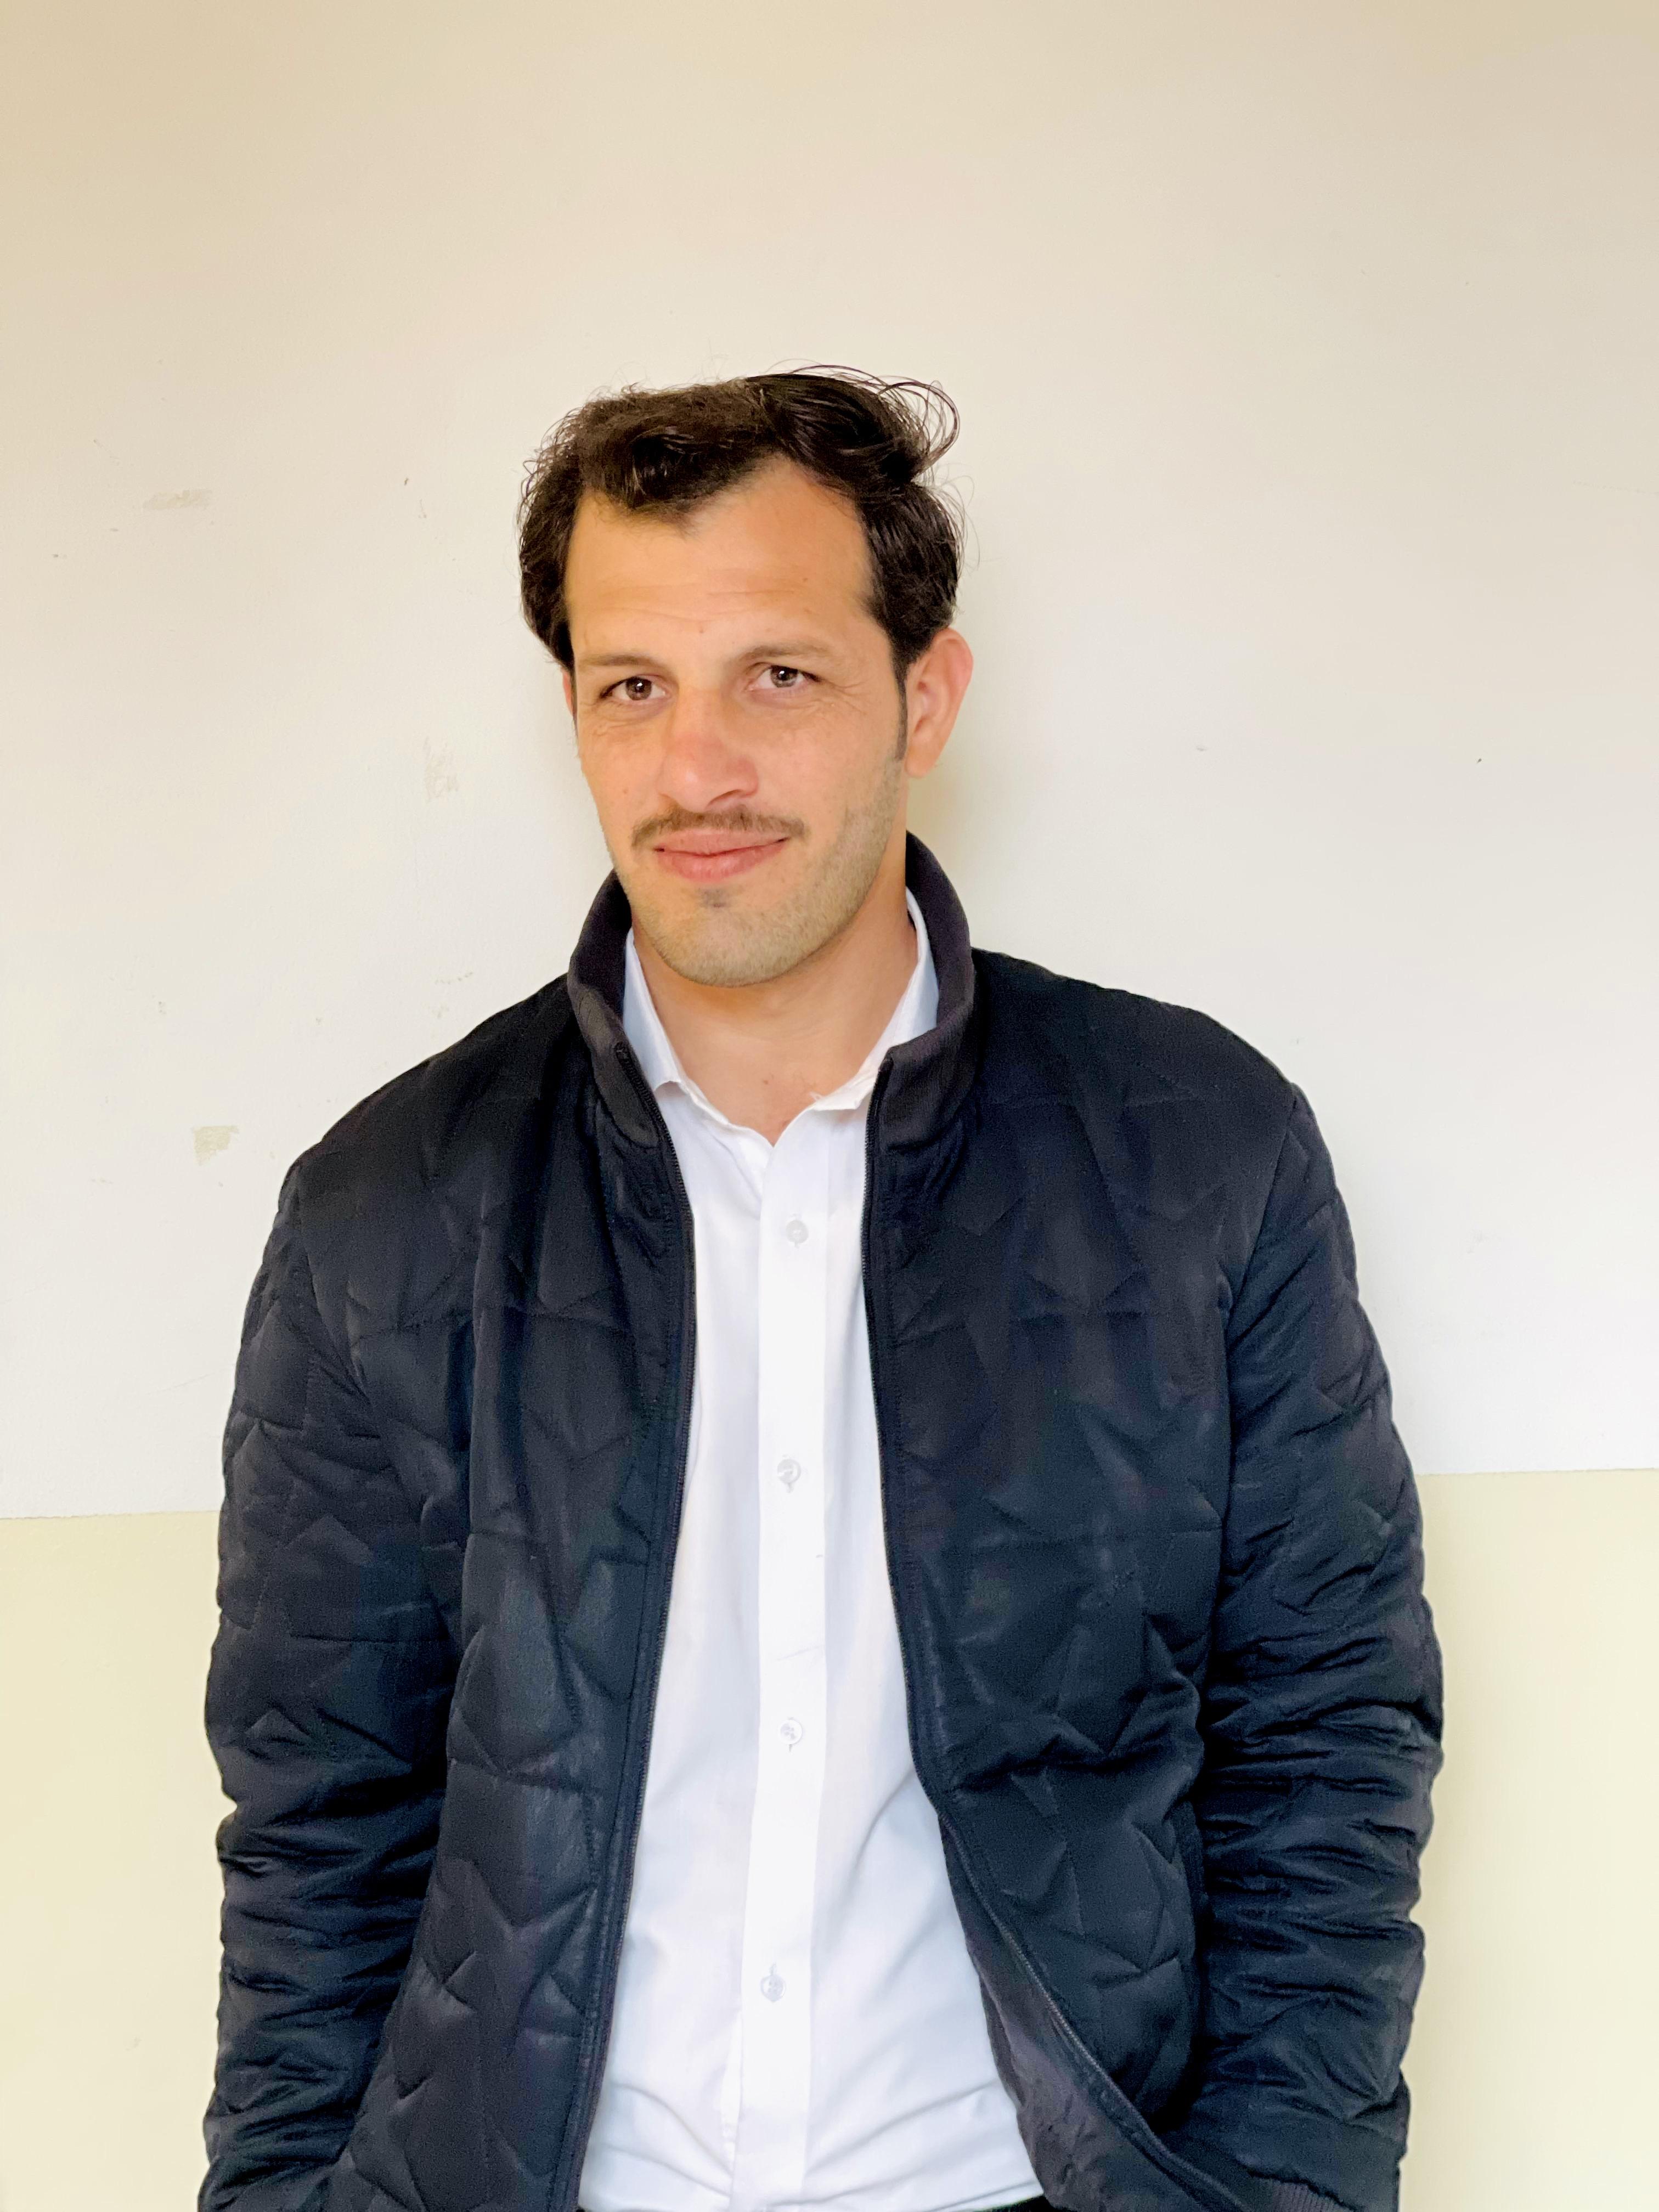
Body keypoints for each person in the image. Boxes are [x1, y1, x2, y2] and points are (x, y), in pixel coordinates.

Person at [202, 370, 1441, 2212]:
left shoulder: (1199, 1152)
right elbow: (321, 1820)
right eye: (633, 686)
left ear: (924, 696)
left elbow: (1324, 1745)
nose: (696, 768)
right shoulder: (385, 1209)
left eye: (776, 675)